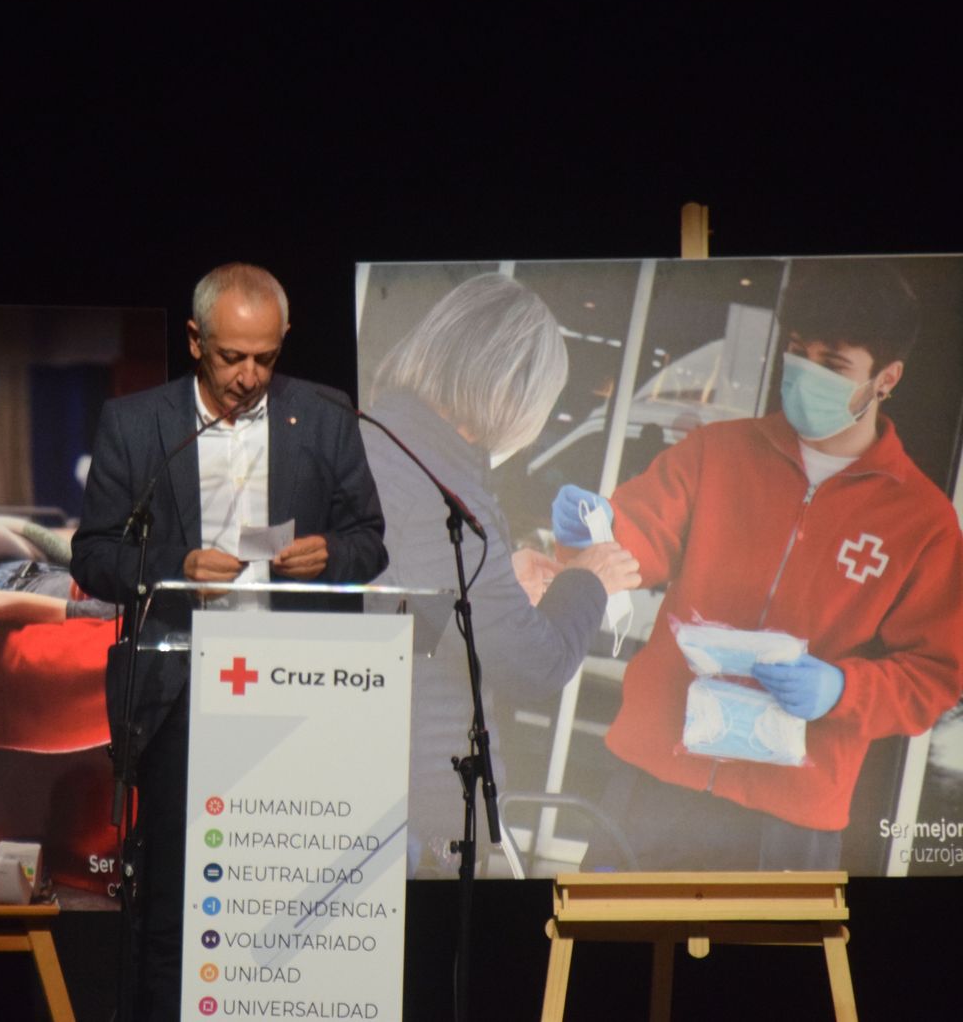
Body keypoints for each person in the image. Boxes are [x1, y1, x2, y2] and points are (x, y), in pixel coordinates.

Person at [553, 259, 963, 870]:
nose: (806, 374)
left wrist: (844, 689)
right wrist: (597, 528)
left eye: (833, 365)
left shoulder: (921, 521)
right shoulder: (717, 452)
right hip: (655, 773)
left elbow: (934, 675)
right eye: (798, 352)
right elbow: (641, 535)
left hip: (789, 808)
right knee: (614, 930)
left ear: (887, 378)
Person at [70, 262, 389, 1021]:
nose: (250, 377)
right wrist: (173, 567)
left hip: (302, 688)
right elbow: (94, 556)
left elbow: (369, 540)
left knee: (295, 901)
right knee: (180, 905)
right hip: (182, 690)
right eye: (232, 357)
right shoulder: (137, 424)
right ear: (194, 340)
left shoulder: (325, 415)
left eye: (266, 358)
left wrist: (330, 555)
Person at [362, 272, 642, 876]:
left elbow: (392, 607)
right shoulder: (449, 493)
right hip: (411, 803)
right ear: (516, 394)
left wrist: (499, 580)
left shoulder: (373, 438)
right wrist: (590, 580)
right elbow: (534, 666)